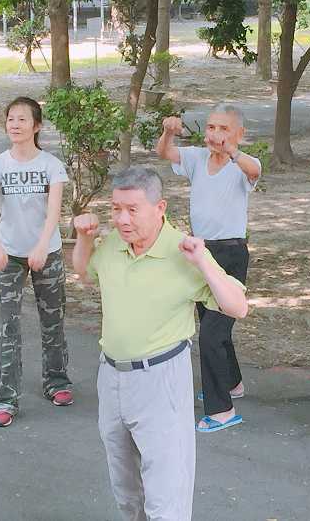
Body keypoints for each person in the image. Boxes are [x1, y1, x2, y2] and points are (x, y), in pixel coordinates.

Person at [73, 166, 248, 520]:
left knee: (166, 497)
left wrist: (203, 261)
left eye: (132, 210)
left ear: (160, 207)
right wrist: (86, 239)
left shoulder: (183, 250)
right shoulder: (113, 245)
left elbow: (237, 306)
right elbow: (84, 273)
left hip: (161, 379)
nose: (122, 219)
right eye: (116, 209)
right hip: (112, 378)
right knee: (126, 493)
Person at [156, 104, 261, 432]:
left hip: (230, 255)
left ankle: (222, 411)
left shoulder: (242, 165)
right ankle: (231, 384)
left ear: (239, 134)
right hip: (202, 252)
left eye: (224, 129)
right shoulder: (197, 158)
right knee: (214, 326)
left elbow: (253, 168)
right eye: (212, 128)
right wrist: (169, 132)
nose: (216, 135)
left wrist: (231, 151)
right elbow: (165, 152)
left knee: (213, 335)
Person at [0, 96, 72, 428]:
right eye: (10, 119)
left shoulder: (51, 165)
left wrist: (41, 247)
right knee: (9, 326)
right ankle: (5, 397)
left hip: (45, 252)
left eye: (22, 119)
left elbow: (53, 213)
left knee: (53, 320)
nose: (15, 125)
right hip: (9, 255)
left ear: (36, 126)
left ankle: (57, 381)